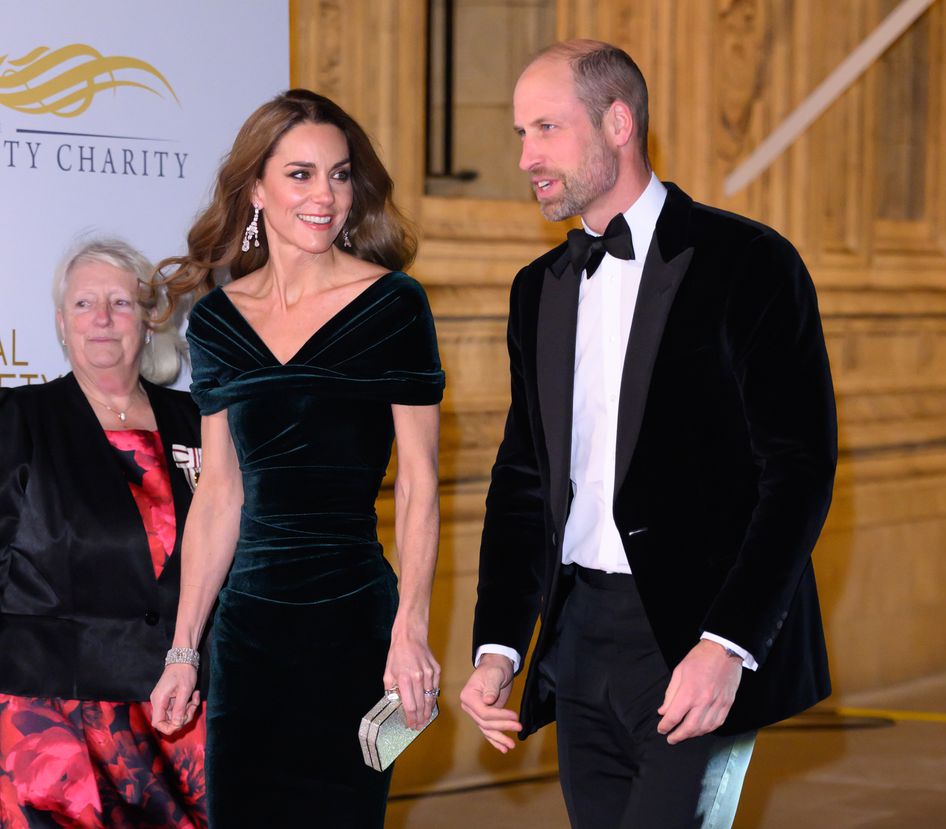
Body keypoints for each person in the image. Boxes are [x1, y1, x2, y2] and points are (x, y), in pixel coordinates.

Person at [459, 40, 837, 829]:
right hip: (580, 639)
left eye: (547, 129)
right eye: (521, 133)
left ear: (618, 122)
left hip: (694, 641)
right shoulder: (538, 290)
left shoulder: (751, 263)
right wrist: (499, 643)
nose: (527, 156)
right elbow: (525, 475)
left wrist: (726, 644)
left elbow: (798, 469)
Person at [148, 89, 445, 828]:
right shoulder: (216, 321)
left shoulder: (394, 306)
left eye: (340, 175)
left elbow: (419, 486)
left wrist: (410, 628)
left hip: (353, 627)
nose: (326, 196)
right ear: (257, 187)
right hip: (249, 635)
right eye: (302, 175)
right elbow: (218, 496)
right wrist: (184, 650)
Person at [0, 239, 206, 828]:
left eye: (121, 301)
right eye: (84, 303)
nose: (103, 318)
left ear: (148, 319)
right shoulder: (19, 418)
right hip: (54, 722)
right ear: (62, 324)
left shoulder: (199, 420)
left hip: (181, 710)